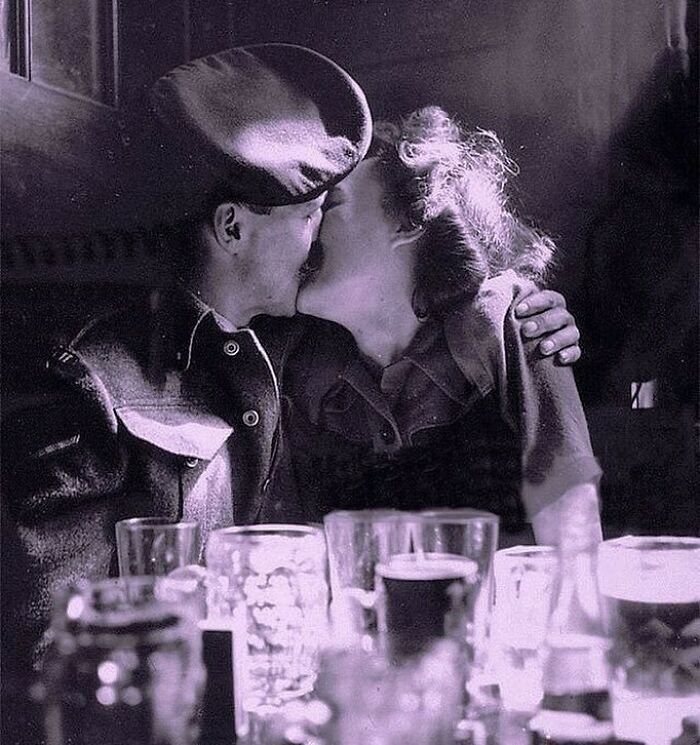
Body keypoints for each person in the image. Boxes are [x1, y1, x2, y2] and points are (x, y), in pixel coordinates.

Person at [1, 47, 580, 705]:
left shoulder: (301, 345)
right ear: (232, 228)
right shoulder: (96, 381)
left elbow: (432, 294)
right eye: (312, 215)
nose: (320, 242)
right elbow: (52, 658)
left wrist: (529, 314)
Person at [291, 106, 602, 544]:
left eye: (332, 205)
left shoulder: (504, 326)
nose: (307, 228)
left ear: (407, 221)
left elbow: (575, 542)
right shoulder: (309, 375)